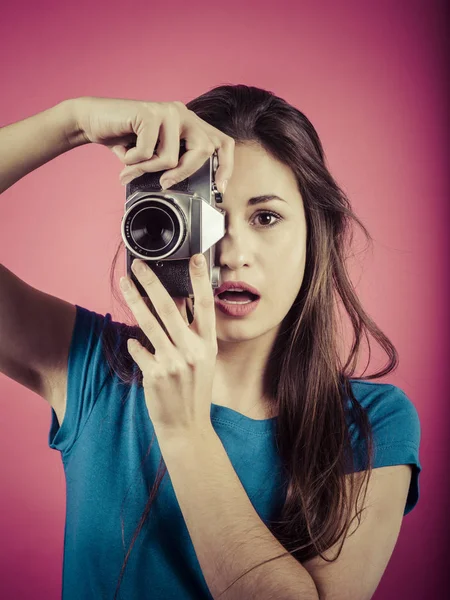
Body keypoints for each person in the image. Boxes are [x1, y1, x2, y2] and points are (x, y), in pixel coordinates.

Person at [0, 85, 421, 600]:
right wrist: (73, 121)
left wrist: (187, 433)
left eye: (265, 217)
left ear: (316, 235)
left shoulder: (372, 423)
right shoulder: (93, 370)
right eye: (210, 214)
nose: (233, 253)